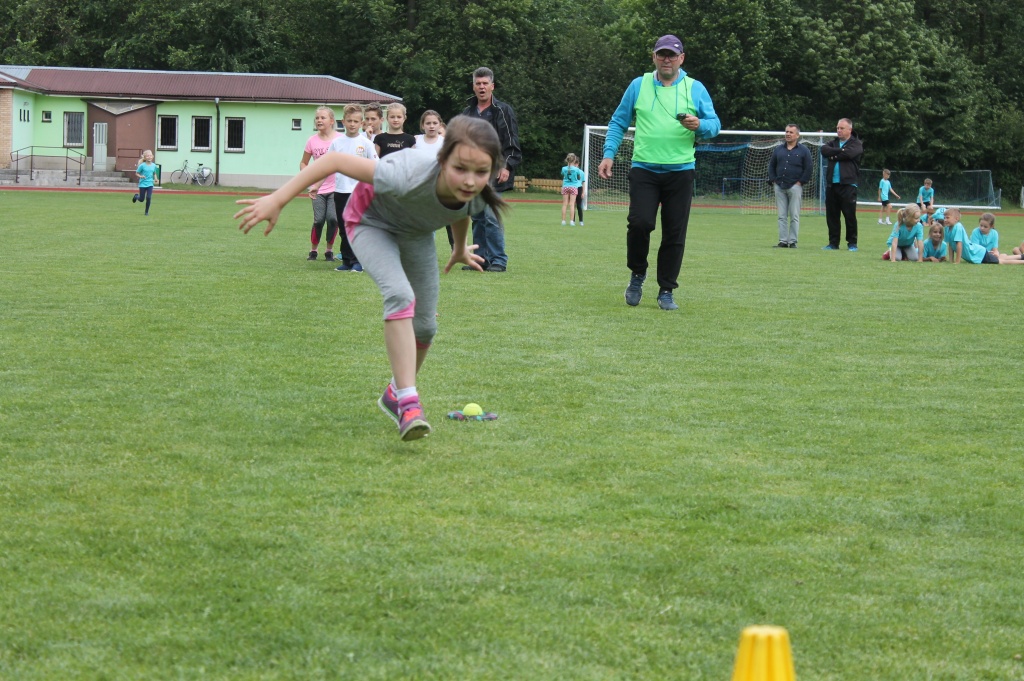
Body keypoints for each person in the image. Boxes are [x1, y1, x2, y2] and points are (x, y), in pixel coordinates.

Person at [234, 115, 508, 441]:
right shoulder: (406, 174)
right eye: (460, 169)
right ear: (441, 159)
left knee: (426, 325)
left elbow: (461, 212)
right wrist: (278, 198)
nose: (469, 181)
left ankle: (394, 392)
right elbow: (334, 160)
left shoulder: (478, 194)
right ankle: (408, 401)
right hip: (368, 222)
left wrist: (461, 248)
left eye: (481, 172)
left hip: (415, 233)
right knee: (400, 295)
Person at [598, 34, 720, 310]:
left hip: (681, 171)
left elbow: (714, 125)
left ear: (681, 59)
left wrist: (699, 124)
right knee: (640, 223)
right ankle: (637, 273)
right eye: (662, 54)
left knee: (674, 233)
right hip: (644, 169)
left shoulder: (695, 88)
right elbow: (618, 122)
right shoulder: (638, 85)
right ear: (654, 57)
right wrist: (608, 154)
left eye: (672, 55)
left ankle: (666, 289)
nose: (667, 59)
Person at [462, 66, 522, 272]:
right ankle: (480, 260)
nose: (481, 87)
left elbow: (512, 142)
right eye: (478, 83)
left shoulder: (502, 111)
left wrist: (507, 166)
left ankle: (498, 260)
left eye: (485, 83)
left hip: (495, 170)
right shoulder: (468, 112)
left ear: (492, 86)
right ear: (473, 86)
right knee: (477, 216)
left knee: (490, 215)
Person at [329, 104, 378, 273]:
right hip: (340, 191)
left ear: (362, 123)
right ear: (343, 122)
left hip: (358, 192)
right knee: (343, 227)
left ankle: (359, 261)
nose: (352, 124)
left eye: (356, 121)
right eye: (349, 121)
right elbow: (327, 165)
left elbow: (375, 165)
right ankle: (347, 260)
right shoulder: (336, 143)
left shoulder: (365, 143)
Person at [300, 106, 341, 260]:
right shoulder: (312, 140)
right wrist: (308, 177)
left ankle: (329, 250)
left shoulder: (339, 139)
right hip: (317, 188)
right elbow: (303, 163)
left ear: (331, 121)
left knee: (333, 219)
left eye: (323, 118)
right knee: (318, 220)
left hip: (336, 187)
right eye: (317, 118)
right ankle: (313, 250)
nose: (319, 120)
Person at [821, 118, 864, 251]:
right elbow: (824, 150)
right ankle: (833, 243)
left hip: (848, 185)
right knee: (832, 215)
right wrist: (840, 151)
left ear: (849, 130)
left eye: (842, 128)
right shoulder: (832, 143)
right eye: (837, 128)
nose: (838, 130)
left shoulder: (856, 143)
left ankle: (852, 243)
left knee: (849, 215)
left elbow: (850, 153)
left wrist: (834, 154)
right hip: (832, 185)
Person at [768, 123, 812, 248]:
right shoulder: (778, 149)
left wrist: (800, 182)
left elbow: (808, 168)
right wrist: (773, 180)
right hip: (779, 186)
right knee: (781, 216)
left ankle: (792, 241)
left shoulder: (804, 151)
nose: (788, 134)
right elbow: (771, 166)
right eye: (786, 132)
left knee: (794, 215)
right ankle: (783, 241)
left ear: (797, 135)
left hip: (795, 186)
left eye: (791, 132)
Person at [560, 153, 585, 225]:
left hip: (565, 186)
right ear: (574, 160)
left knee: (564, 204)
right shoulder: (576, 169)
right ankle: (571, 221)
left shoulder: (563, 168)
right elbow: (578, 178)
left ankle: (563, 221)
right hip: (573, 187)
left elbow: (563, 174)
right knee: (572, 204)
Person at [132, 150, 157, 216]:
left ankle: (146, 212)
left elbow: (154, 173)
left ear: (152, 156)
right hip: (142, 184)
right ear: (145, 158)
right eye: (147, 156)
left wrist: (156, 178)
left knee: (148, 197)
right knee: (141, 199)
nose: (149, 157)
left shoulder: (154, 165)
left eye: (150, 155)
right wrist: (141, 176)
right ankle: (137, 196)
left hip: (150, 184)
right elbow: (137, 173)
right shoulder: (142, 166)